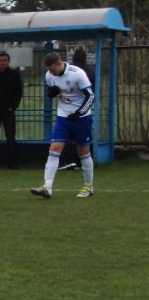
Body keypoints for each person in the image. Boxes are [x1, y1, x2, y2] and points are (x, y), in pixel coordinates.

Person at [31, 52, 96, 199]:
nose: (51, 73)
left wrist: (79, 113)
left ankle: (88, 186)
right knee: (54, 148)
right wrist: (51, 93)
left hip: (81, 118)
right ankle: (47, 187)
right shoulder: (49, 75)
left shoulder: (77, 74)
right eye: (49, 70)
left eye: (53, 69)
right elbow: (50, 92)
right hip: (63, 117)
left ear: (60, 64)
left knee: (83, 152)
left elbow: (90, 96)